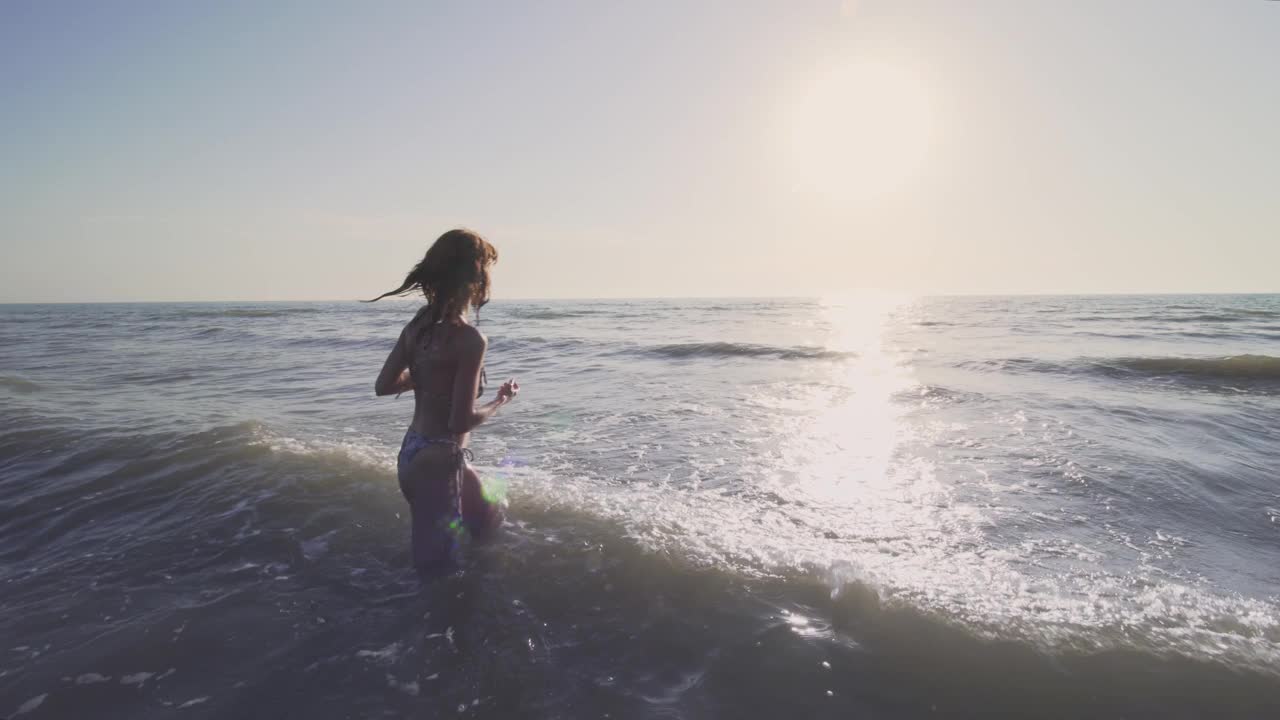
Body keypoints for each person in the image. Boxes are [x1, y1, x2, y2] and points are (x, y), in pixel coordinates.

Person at [368, 228, 518, 571]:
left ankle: (491, 600)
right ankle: (432, 621)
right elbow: (460, 422)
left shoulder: (419, 324)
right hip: (439, 460)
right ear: (476, 276)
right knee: (438, 571)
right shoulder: (471, 340)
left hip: (413, 451)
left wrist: (427, 374)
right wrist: (500, 401)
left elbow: (385, 384)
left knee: (488, 521)